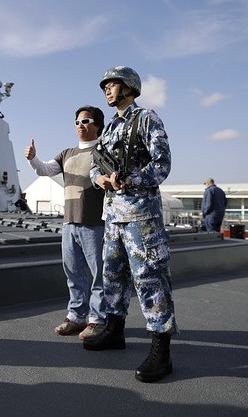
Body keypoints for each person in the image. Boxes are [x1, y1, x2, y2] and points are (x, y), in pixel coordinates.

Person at [85, 66, 177, 384]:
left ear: (129, 87)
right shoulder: (110, 128)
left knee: (150, 280)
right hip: (114, 216)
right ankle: (114, 331)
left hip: (141, 216)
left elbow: (162, 163)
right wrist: (102, 178)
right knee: (113, 276)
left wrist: (132, 178)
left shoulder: (146, 118)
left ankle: (160, 350)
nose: (107, 90)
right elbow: (95, 166)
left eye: (112, 85)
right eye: (105, 86)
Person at [24, 106, 107, 340]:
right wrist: (32, 159)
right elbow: (45, 169)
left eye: (86, 121)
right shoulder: (66, 153)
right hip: (70, 223)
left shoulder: (103, 150)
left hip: (96, 224)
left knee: (99, 274)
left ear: (98, 125)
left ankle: (98, 319)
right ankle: (77, 316)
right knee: (73, 272)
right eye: (77, 122)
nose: (80, 125)